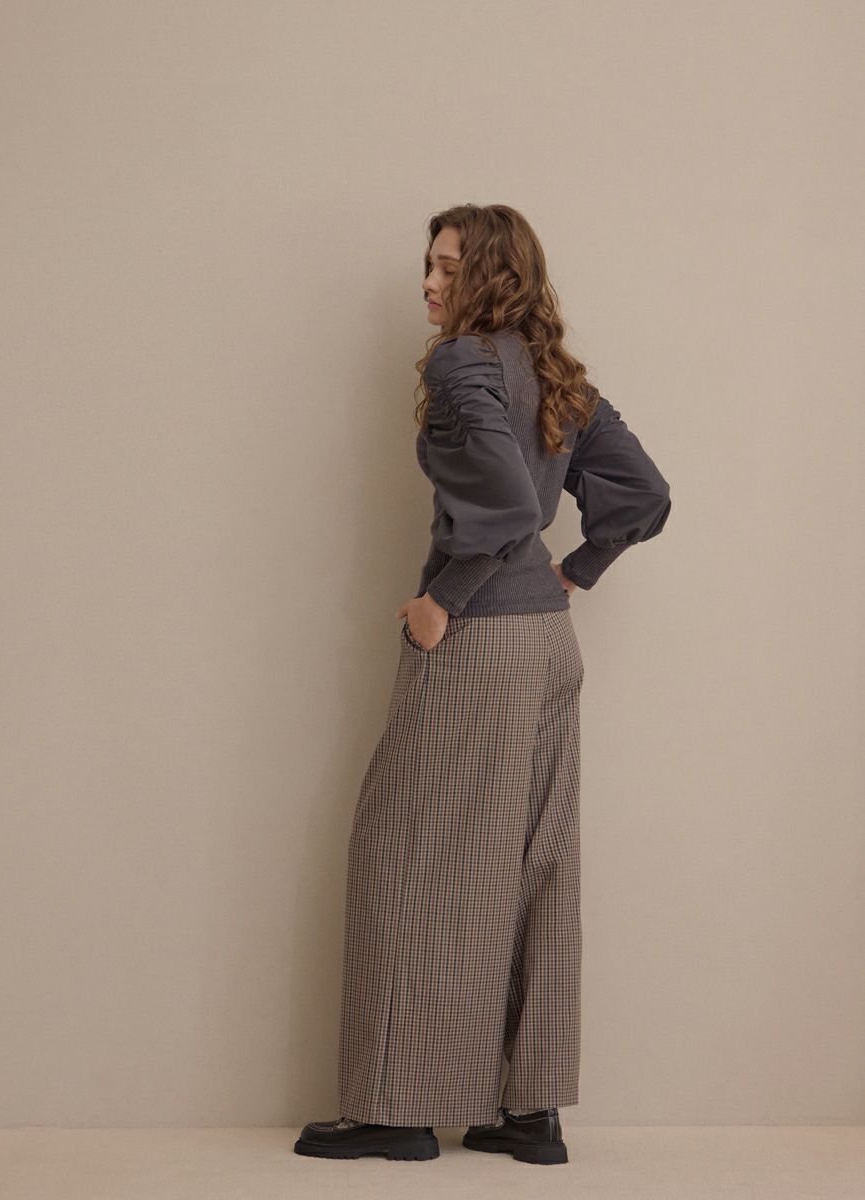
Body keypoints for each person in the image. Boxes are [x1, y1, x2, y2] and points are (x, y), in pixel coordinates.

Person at [295, 204, 672, 1165]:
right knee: (534, 868)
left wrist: (442, 602)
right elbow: (646, 491)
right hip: (549, 647)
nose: (428, 283)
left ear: (493, 275)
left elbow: (504, 508)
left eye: (448, 266)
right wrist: (577, 570)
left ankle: (399, 1111)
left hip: (481, 643)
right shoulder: (555, 373)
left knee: (411, 858)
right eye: (428, 264)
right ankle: (528, 1112)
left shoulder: (462, 362)